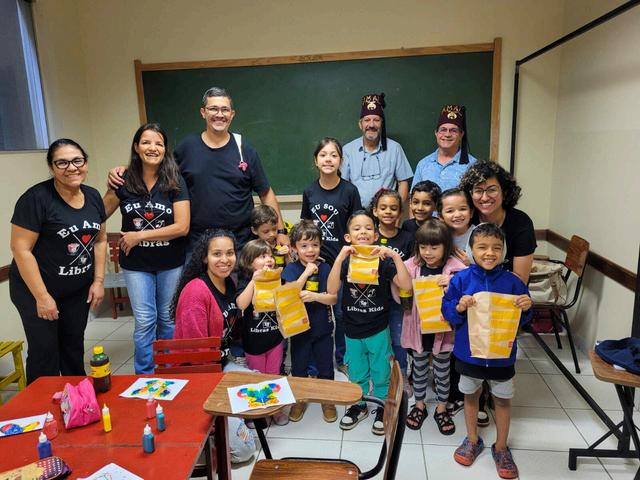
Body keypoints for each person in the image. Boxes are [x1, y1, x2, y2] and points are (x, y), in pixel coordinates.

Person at [108, 87, 289, 252]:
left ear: (232, 114)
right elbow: (158, 168)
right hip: (196, 246)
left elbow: (265, 193)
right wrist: (128, 168)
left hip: (240, 244)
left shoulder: (245, 149)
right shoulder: (187, 147)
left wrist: (280, 231)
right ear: (203, 112)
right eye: (213, 109)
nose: (219, 114)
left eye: (225, 110)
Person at [9, 139, 107, 384]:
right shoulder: (36, 199)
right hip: (35, 290)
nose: (71, 167)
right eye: (62, 163)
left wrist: (98, 281)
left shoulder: (93, 196)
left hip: (76, 290)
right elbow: (21, 249)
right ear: (51, 167)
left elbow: (100, 240)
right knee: (45, 352)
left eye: (77, 161)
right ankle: (40, 405)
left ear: (85, 163)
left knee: (73, 346)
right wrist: (42, 297)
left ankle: (78, 399)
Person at [442, 223, 532, 479]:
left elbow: (525, 319)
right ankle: (472, 439)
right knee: (470, 395)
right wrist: (458, 307)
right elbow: (447, 311)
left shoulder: (513, 282)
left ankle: (501, 447)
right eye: (482, 247)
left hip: (502, 357)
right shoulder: (461, 280)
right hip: (469, 354)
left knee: (502, 399)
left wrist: (527, 307)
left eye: (496, 248)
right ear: (471, 250)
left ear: (504, 251)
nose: (490, 253)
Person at [103, 123, 190, 374]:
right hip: (136, 265)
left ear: (165, 149)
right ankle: (145, 375)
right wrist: (110, 183)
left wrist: (139, 235)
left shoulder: (175, 180)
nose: (153, 148)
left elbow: (182, 226)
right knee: (144, 321)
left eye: (159, 143)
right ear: (136, 147)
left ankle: (170, 370)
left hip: (170, 263)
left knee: (167, 319)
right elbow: (98, 214)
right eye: (146, 142)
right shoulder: (123, 181)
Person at [170, 229, 257, 463]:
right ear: (204, 257)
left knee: (262, 386)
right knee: (246, 449)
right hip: (198, 377)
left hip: (221, 366)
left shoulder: (228, 282)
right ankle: (201, 431)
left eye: (230, 253)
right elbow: (196, 357)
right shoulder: (196, 292)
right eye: (217, 254)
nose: (225, 259)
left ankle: (224, 423)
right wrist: (223, 391)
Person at [327, 211, 412, 435]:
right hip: (352, 329)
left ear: (375, 236)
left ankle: (382, 405)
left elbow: (406, 285)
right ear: (348, 237)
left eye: (367, 228)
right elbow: (331, 289)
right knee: (357, 371)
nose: (362, 232)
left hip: (378, 328)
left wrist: (394, 256)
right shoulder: (346, 261)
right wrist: (339, 258)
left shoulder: (383, 261)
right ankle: (359, 404)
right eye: (357, 229)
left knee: (381, 370)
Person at [300, 137, 362, 374]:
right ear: (315, 161)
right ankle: (315, 361)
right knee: (316, 313)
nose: (328, 159)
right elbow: (306, 226)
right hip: (317, 263)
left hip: (343, 263)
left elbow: (357, 226)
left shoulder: (350, 190)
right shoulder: (309, 191)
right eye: (323, 155)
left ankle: (342, 358)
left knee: (341, 314)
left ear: (341, 161)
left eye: (334, 155)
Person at [398, 219, 465, 435]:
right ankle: (419, 406)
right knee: (418, 370)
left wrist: (452, 283)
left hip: (443, 334)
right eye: (423, 247)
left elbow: (467, 286)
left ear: (446, 246)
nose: (428, 252)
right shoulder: (411, 266)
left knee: (442, 373)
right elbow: (398, 286)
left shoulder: (454, 268)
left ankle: (441, 408)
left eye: (434, 247)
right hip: (418, 332)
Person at [282, 220, 338, 423]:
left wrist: (316, 297)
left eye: (315, 245)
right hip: (299, 330)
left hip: (323, 327)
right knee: (299, 367)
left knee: (326, 367)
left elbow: (333, 298)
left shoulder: (326, 267)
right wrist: (306, 272)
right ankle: (299, 400)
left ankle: (327, 400)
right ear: (294, 248)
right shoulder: (291, 269)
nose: (310, 250)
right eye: (304, 246)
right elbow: (289, 295)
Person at [235, 239, 288, 425]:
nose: (269, 260)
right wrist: (254, 280)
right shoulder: (245, 281)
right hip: (253, 342)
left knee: (273, 375)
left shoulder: (277, 277)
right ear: (249, 262)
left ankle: (275, 410)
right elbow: (241, 304)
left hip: (275, 338)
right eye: (262, 256)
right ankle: (257, 412)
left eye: (270, 256)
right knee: (256, 377)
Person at [459, 160, 536, 284]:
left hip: (506, 292)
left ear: (504, 192)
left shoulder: (520, 223)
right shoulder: (465, 219)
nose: (485, 197)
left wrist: (473, 265)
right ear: (470, 194)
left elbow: (520, 281)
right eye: (478, 191)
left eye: (492, 190)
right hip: (467, 289)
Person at [370, 189, 413, 393]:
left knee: (398, 339)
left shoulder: (407, 238)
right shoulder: (370, 237)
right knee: (376, 341)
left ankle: (402, 375)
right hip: (373, 299)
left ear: (400, 213)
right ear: (375, 211)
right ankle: (378, 377)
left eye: (393, 208)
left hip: (398, 301)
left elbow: (412, 267)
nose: (388, 212)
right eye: (383, 207)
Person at [341, 93, 413, 209]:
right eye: (367, 120)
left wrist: (397, 210)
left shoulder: (394, 148)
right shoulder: (348, 150)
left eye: (376, 120)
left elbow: (403, 183)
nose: (371, 125)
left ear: (382, 124)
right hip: (358, 214)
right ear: (360, 124)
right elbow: (342, 186)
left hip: (386, 214)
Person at [412, 104, 477, 191]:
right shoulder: (423, 164)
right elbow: (414, 196)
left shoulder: (473, 165)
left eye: (453, 131)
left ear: (461, 134)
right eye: (443, 130)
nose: (447, 134)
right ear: (436, 133)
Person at [438, 187, 475, 266]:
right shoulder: (439, 236)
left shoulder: (480, 234)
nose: (457, 215)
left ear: (471, 212)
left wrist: (471, 264)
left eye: (462, 209)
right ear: (440, 217)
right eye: (450, 211)